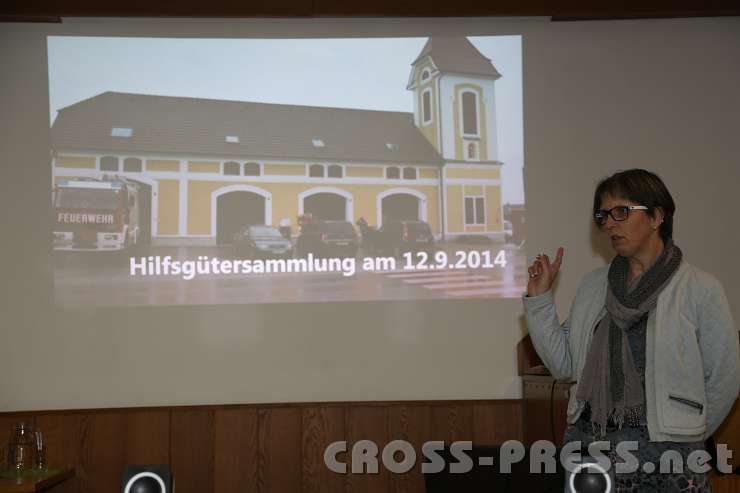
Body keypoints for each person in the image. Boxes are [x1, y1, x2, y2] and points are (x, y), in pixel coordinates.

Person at [523, 169, 739, 492]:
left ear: (657, 217)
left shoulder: (699, 289)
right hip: (591, 447)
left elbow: (725, 378)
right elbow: (564, 365)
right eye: (603, 215)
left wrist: (684, 431)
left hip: (669, 454)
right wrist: (540, 299)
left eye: (620, 212)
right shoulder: (593, 287)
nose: (609, 223)